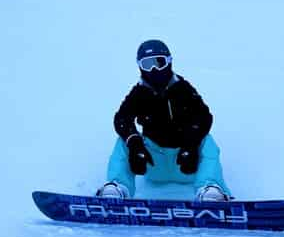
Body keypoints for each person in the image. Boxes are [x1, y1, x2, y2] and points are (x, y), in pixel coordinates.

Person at [97, 39, 232, 202]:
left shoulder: (183, 89)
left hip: (185, 163)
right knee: (122, 141)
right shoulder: (139, 93)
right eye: (147, 64)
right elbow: (122, 119)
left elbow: (204, 117)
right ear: (139, 66)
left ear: (168, 62)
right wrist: (135, 145)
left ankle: (210, 189)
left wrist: (190, 144)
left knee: (207, 141)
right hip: (154, 162)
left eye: (159, 62)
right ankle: (117, 188)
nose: (154, 69)